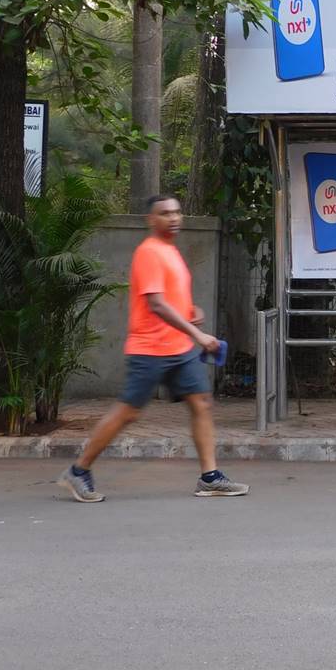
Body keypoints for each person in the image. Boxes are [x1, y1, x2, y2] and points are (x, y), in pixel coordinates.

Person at [58, 194, 248, 501]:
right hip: (150, 349)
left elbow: (170, 300)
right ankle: (79, 471)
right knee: (127, 413)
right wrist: (198, 336)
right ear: (151, 220)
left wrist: (189, 312)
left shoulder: (171, 252)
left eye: (177, 212)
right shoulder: (148, 252)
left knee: (201, 403)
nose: (173, 218)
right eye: (165, 213)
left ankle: (210, 477)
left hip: (180, 348)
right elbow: (156, 304)